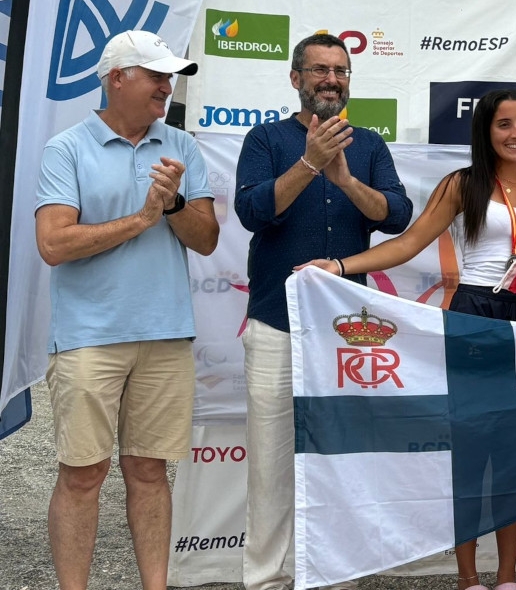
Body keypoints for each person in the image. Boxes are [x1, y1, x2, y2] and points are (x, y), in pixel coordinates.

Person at [299, 89, 516, 590]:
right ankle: (469, 576)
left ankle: (509, 576)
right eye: (504, 125)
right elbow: (410, 242)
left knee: (513, 452)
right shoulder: (462, 185)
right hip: (473, 317)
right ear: (486, 132)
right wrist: (342, 266)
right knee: (473, 451)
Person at [35, 30, 219, 590]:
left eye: (170, 77)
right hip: (89, 336)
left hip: (165, 334)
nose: (168, 87)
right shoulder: (66, 148)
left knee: (148, 471)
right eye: (157, 76)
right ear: (118, 78)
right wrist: (142, 219)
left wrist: (175, 205)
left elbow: (207, 239)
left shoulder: (181, 146)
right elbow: (54, 244)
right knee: (83, 474)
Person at [234, 32, 413, 590]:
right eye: (319, 70)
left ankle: (333, 576)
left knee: (337, 462)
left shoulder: (369, 146)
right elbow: (253, 211)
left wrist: (345, 179)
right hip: (276, 325)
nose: (331, 80)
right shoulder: (265, 138)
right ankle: (265, 580)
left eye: (340, 70)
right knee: (270, 466)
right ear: (296, 79)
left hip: (349, 336)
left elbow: (398, 216)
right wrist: (310, 164)